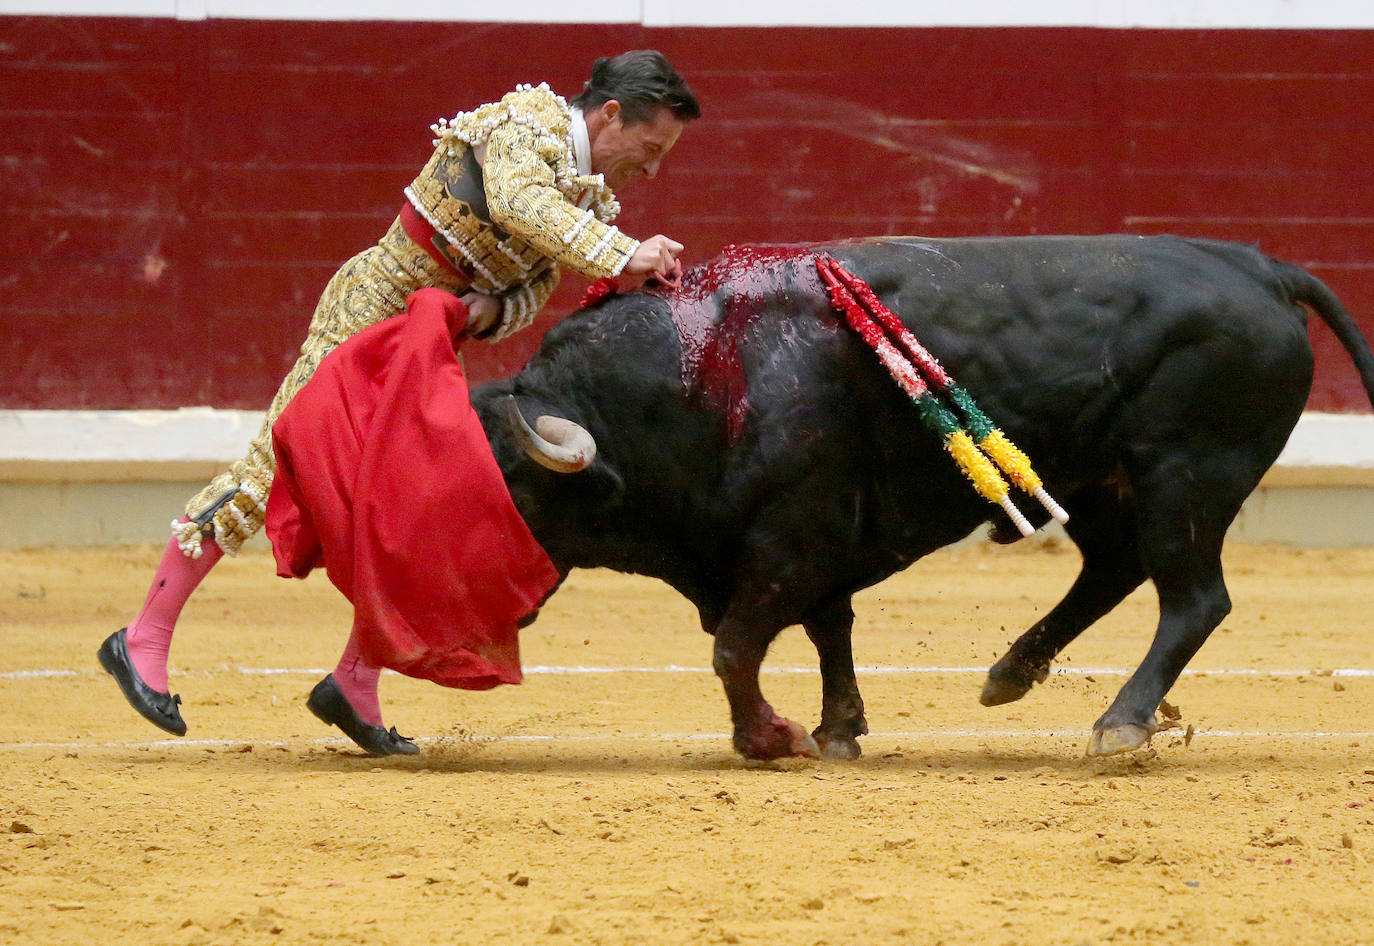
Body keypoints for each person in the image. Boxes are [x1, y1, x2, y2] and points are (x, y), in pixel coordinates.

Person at [98, 50, 701, 755]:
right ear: (607, 115)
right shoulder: (526, 120)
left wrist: (489, 309)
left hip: (427, 345)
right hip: (366, 314)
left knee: (415, 510)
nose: (652, 171)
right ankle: (142, 636)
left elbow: (536, 283)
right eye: (650, 148)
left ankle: (353, 680)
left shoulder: (592, 199)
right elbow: (519, 205)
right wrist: (623, 252)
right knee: (267, 470)